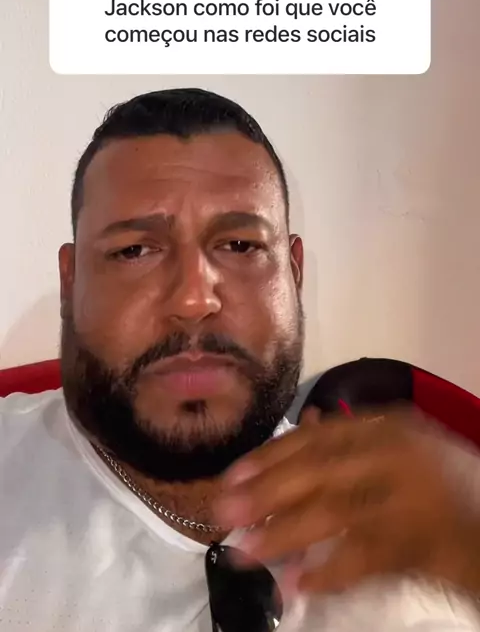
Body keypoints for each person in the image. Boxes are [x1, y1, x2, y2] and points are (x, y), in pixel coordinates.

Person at [1, 87, 480, 632]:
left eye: (241, 246)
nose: (193, 299)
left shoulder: (426, 556)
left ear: (293, 273)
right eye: (134, 250)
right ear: (70, 282)